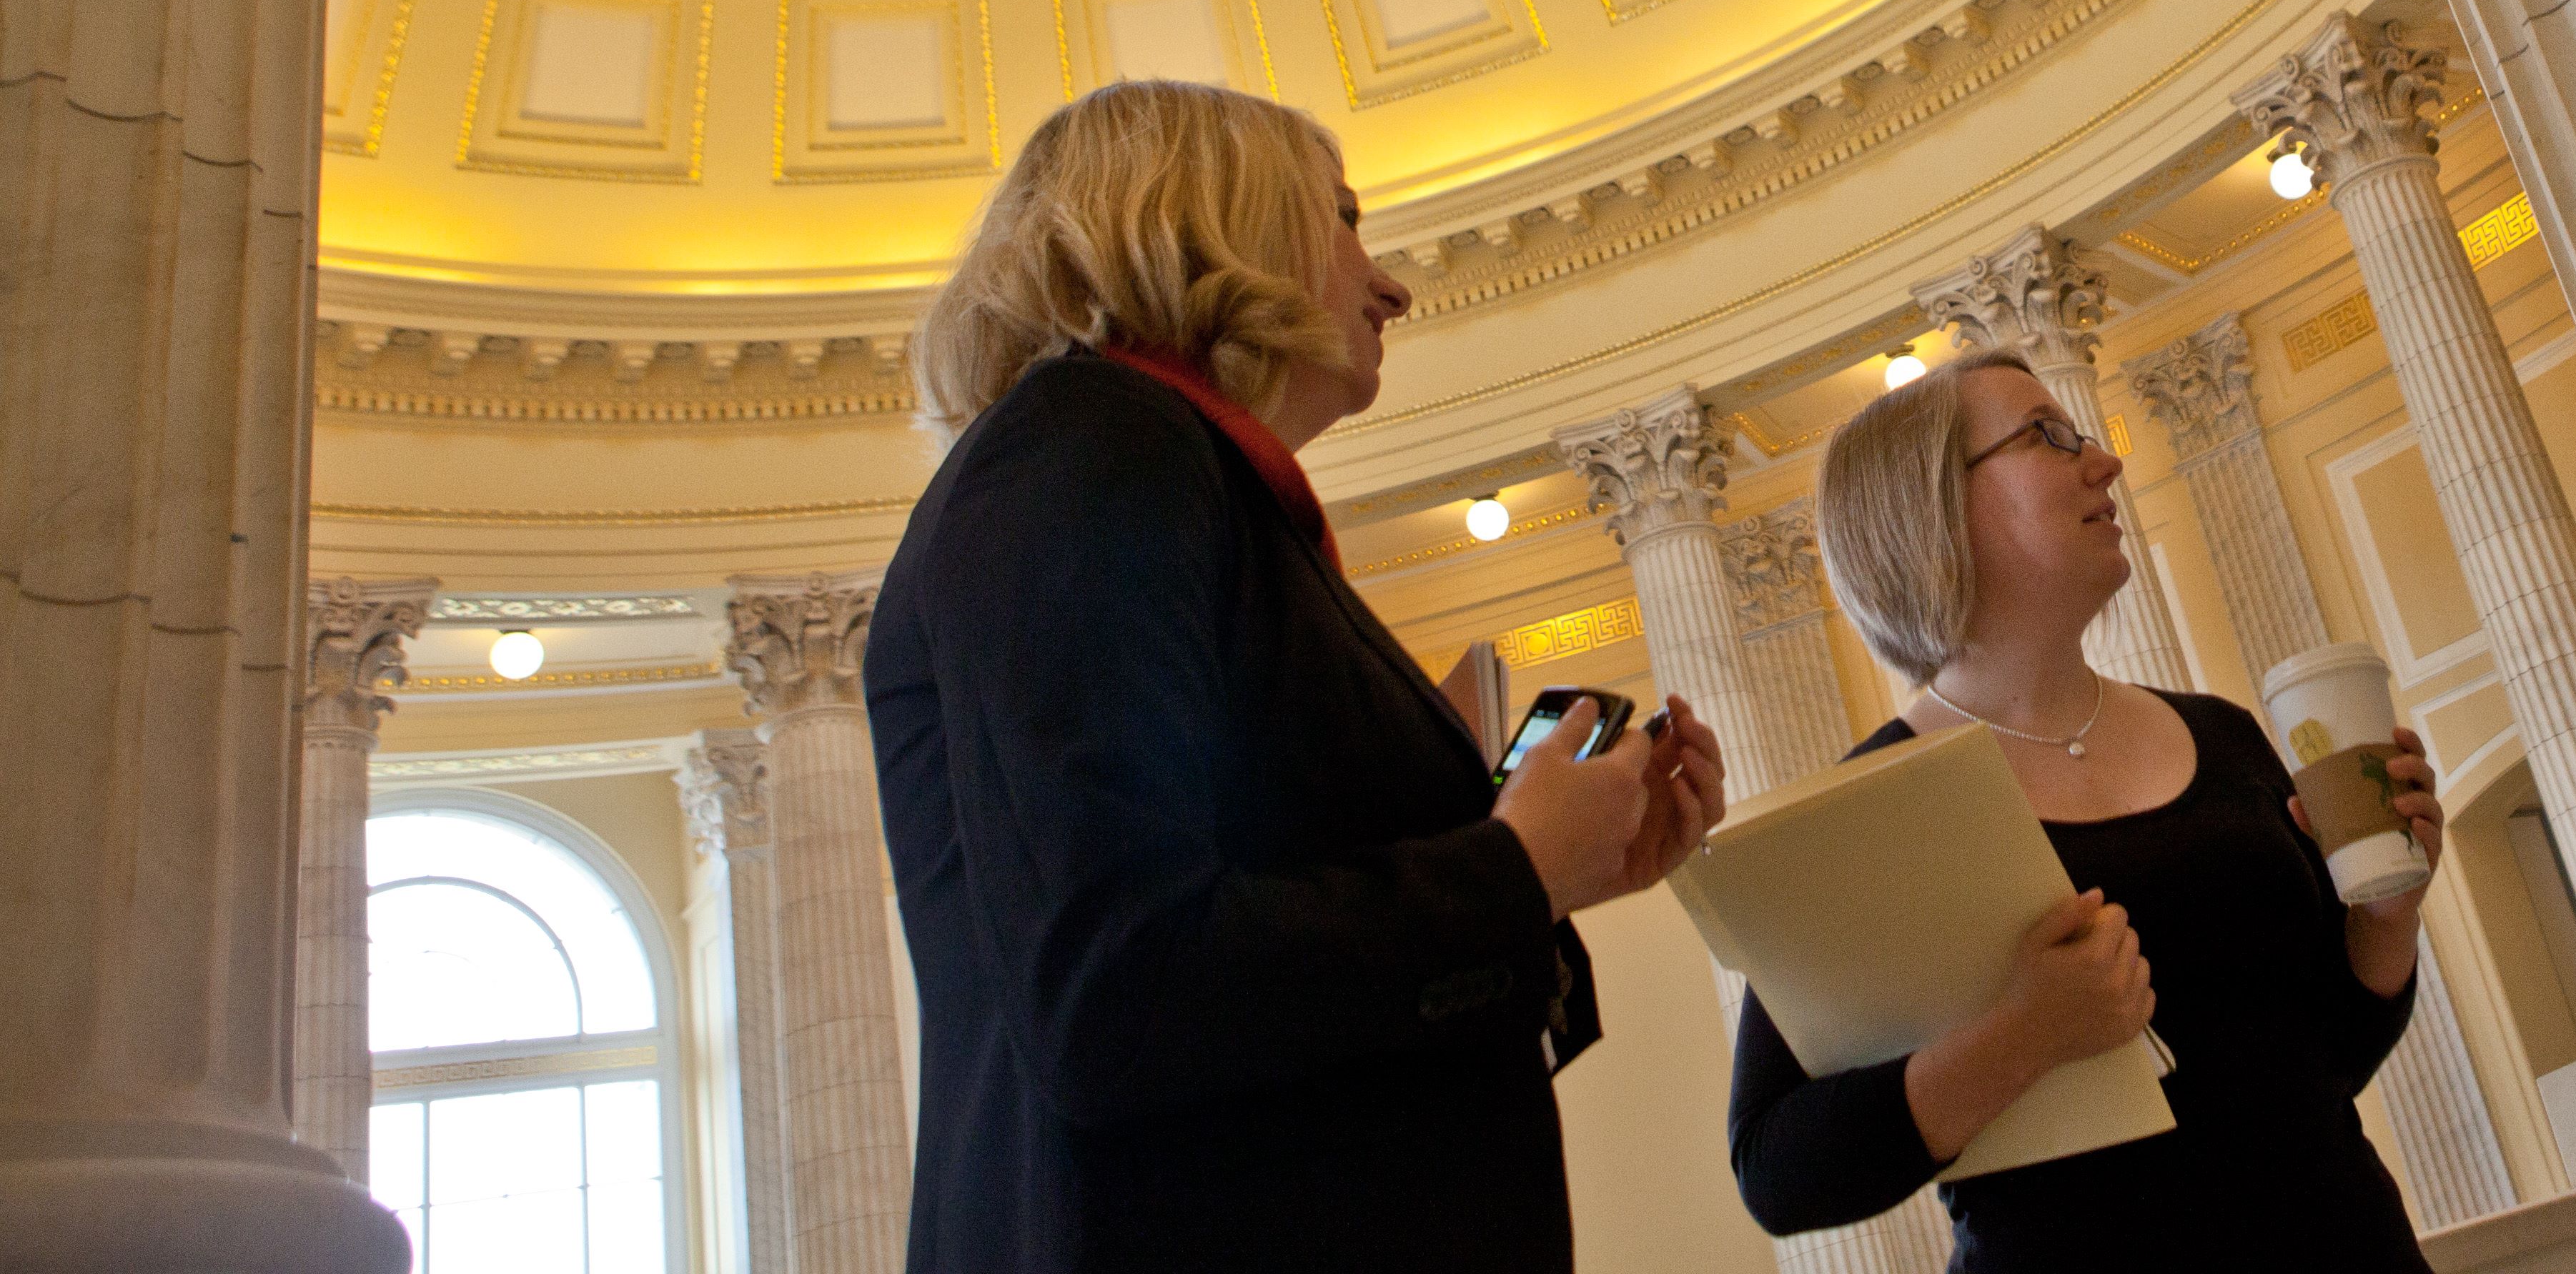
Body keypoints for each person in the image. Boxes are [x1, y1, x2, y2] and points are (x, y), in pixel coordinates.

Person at [866, 79, 1728, 1273]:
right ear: (1210, 218)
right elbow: (1118, 988)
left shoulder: (1168, 478)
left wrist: (1563, 870)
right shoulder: (1085, 449)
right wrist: (1513, 869)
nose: (1392, 284)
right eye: (1343, 216)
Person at [1729, 349, 2441, 1269]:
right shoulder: (1869, 810)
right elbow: (1776, 1170)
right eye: (2046, 437)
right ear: (1929, 507)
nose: (2104, 461)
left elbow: (2323, 1062)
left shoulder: (2221, 734)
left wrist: (2387, 918)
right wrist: (2023, 1037)